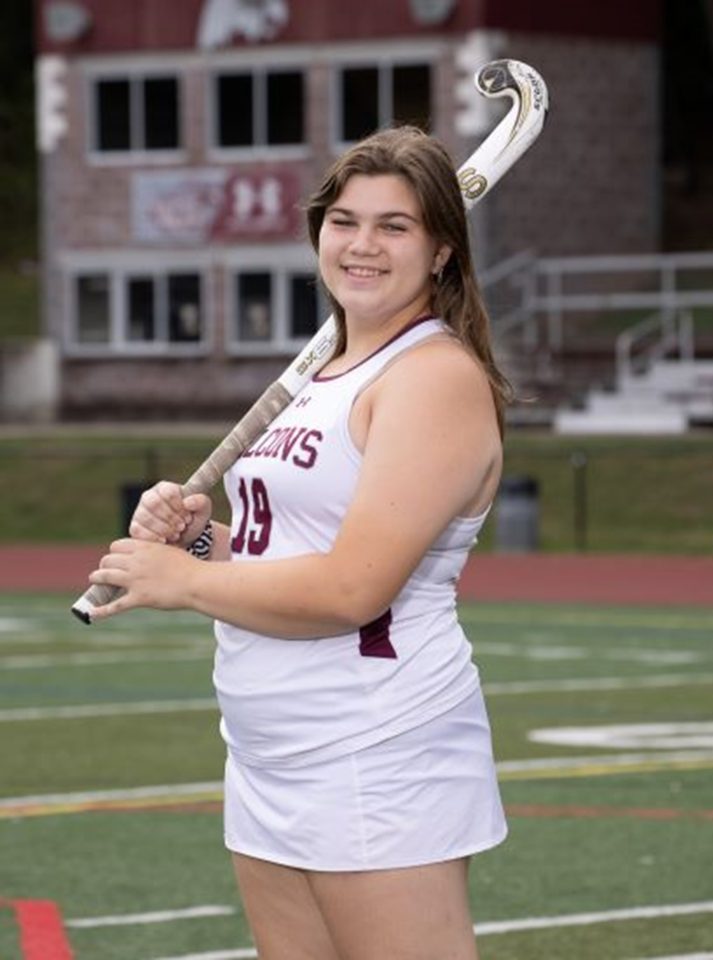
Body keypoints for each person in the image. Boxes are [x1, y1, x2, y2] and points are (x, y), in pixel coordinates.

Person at [89, 125, 511, 960]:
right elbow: (281, 557)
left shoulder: (433, 379)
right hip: (268, 746)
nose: (362, 245)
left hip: (376, 745)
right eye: (344, 221)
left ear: (440, 252)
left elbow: (353, 588)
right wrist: (200, 543)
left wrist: (180, 581)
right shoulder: (319, 376)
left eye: (394, 226)